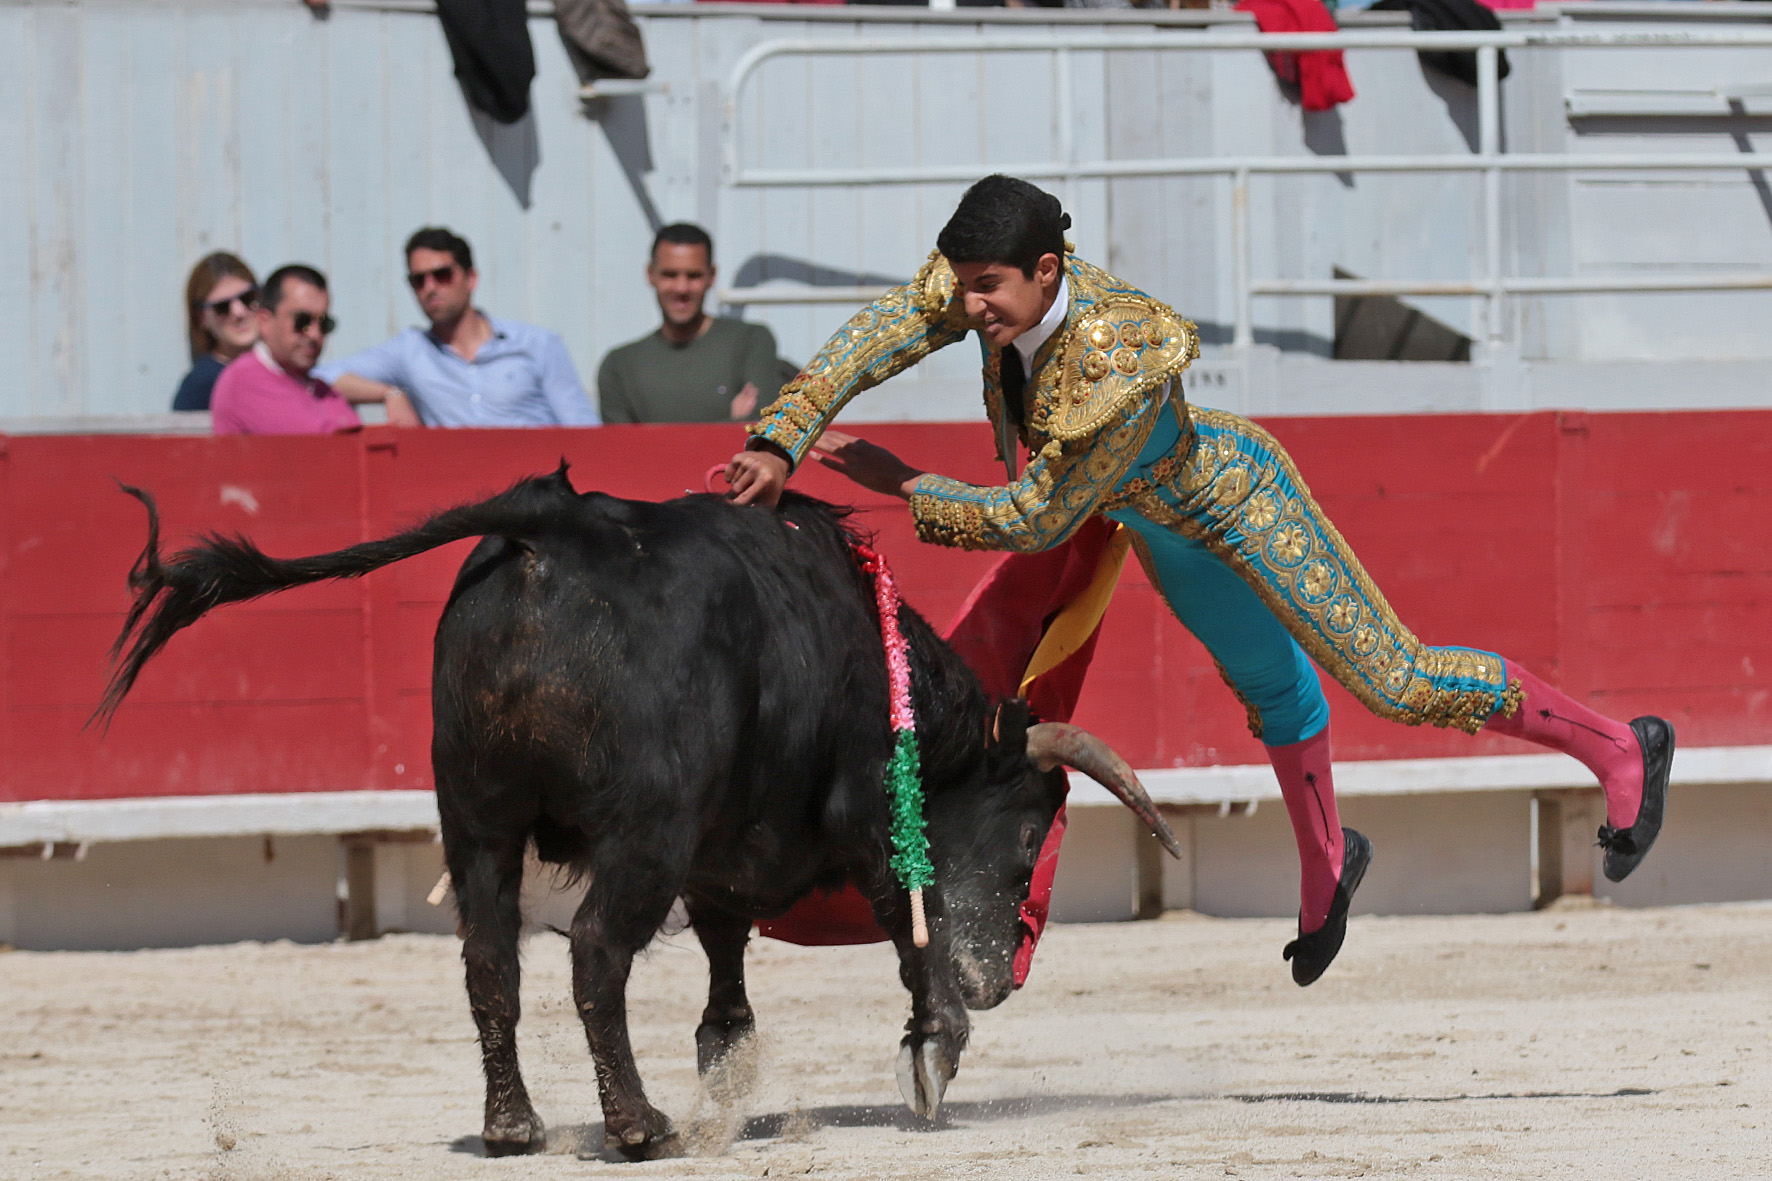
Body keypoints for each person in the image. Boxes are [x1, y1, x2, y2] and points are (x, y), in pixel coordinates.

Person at [726, 175, 1675, 986]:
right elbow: (887, 328)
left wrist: (904, 484)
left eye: (988, 291)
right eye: (967, 288)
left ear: (1045, 272)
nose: (970, 308)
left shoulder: (1117, 361)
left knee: (1400, 679)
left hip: (1238, 502)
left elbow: (1035, 519)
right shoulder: (992, 275)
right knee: (1269, 692)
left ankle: (1621, 748)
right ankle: (1330, 862)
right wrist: (782, 435)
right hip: (1157, 523)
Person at [318, 227, 597, 428]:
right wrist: (388, 393)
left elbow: (583, 430)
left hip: (537, 492)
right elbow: (321, 378)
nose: (431, 288)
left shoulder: (537, 343)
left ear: (471, 278)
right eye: (419, 280)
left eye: (442, 275)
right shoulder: (410, 350)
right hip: (462, 497)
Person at [597, 223, 783, 424]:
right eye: (670, 275)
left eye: (693, 276)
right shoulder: (619, 366)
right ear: (651, 274)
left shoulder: (750, 341)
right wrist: (730, 424)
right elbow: (623, 449)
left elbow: (759, 433)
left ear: (711, 276)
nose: (681, 288)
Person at [211, 264, 361, 437]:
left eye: (324, 323)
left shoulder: (321, 389)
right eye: (302, 321)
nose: (314, 334)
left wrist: (390, 394)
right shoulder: (243, 380)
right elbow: (317, 443)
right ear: (264, 321)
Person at [173, 253, 259, 412]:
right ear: (201, 318)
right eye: (222, 307)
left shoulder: (284, 366)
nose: (239, 312)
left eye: (247, 298)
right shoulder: (202, 384)